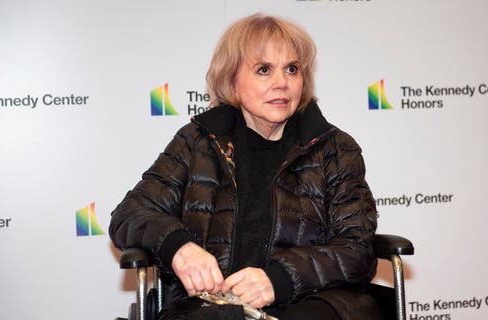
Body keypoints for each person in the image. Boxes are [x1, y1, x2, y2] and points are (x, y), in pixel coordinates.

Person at [109, 13, 381, 320]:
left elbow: (357, 249)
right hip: (214, 305)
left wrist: (278, 279)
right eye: (264, 70)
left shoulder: (334, 148)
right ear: (232, 81)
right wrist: (178, 247)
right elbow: (129, 214)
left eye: (292, 69)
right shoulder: (197, 141)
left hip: (313, 300)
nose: (282, 83)